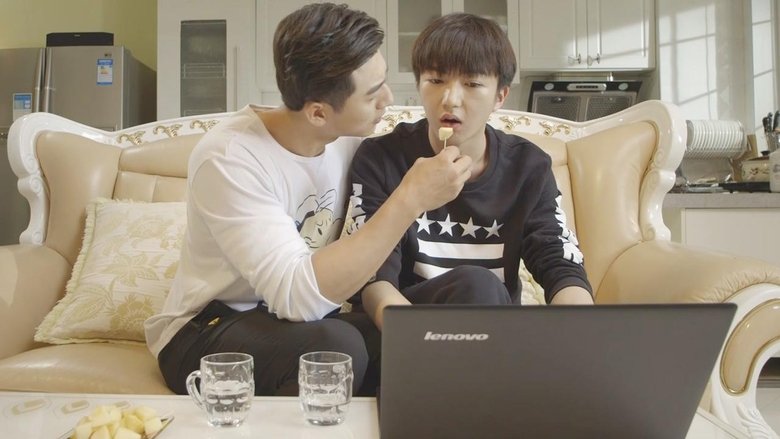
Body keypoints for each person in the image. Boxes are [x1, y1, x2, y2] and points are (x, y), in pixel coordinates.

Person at [144, 3, 473, 396]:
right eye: (373, 94)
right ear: (318, 113)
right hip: (210, 330)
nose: (388, 99)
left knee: (466, 292)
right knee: (334, 349)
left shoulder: (352, 134)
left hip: (308, 321)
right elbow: (296, 298)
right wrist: (409, 199)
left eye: (384, 81)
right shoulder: (230, 157)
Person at [347, 13, 594, 331]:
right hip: (398, 325)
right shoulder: (381, 157)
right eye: (436, 81)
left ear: (500, 96)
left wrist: (582, 331)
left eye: (472, 84)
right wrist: (412, 338)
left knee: (479, 286)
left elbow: (558, 261)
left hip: (492, 330)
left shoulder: (528, 167)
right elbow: (374, 278)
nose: (450, 100)